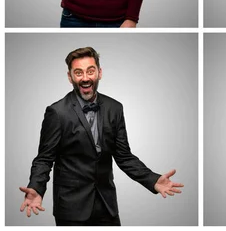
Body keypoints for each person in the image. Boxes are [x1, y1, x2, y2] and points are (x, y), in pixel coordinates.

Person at [19, 46, 183, 225]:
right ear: (70, 77)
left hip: (106, 205)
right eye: (78, 73)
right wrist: (36, 187)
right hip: (71, 207)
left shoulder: (115, 108)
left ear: (99, 72)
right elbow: (44, 158)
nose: (85, 78)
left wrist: (152, 180)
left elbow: (123, 156)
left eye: (90, 71)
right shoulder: (57, 113)